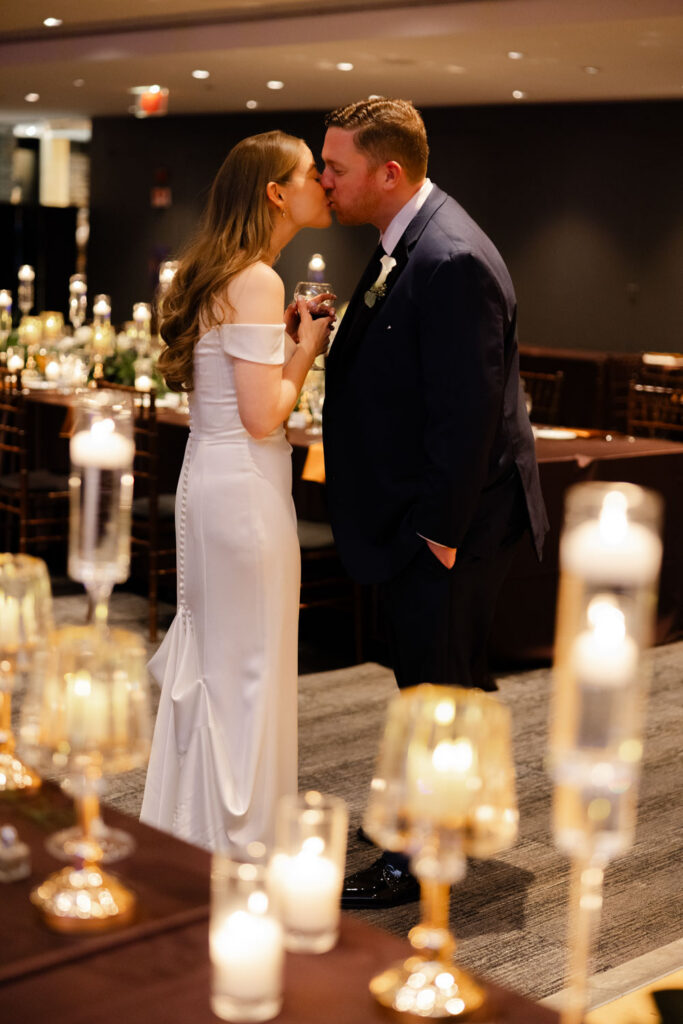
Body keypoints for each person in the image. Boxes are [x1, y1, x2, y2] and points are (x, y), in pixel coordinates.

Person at [320, 98, 548, 907]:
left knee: (436, 688)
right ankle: (440, 818)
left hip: (457, 522)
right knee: (430, 678)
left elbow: (468, 413)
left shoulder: (449, 256)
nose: (323, 181)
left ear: (389, 172)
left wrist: (438, 533)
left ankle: (418, 857)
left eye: (335, 168)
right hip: (431, 513)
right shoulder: (406, 240)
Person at [140, 131, 334, 853]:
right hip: (245, 492)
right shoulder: (258, 279)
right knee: (248, 666)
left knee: (221, 661)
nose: (323, 183)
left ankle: (196, 832)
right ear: (276, 193)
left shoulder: (221, 271)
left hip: (209, 480)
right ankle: (238, 839)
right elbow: (263, 416)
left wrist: (283, 348)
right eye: (311, 173)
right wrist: (308, 347)